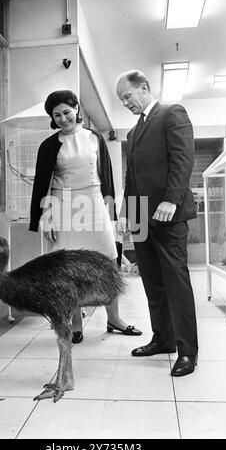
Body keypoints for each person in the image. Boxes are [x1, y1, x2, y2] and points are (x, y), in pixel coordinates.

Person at [29, 89, 142, 343]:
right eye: (56, 115)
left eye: (66, 112)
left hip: (93, 202)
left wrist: (112, 212)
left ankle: (114, 318)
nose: (62, 118)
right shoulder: (48, 146)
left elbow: (107, 177)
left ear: (76, 109)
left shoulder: (95, 138)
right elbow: (41, 185)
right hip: (62, 206)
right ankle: (76, 325)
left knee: (108, 262)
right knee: (68, 269)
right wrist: (45, 217)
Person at [116, 71, 198, 377]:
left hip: (168, 213)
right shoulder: (133, 133)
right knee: (151, 281)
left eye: (127, 96)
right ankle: (163, 339)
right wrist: (126, 212)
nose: (125, 103)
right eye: (121, 100)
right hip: (140, 216)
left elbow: (183, 157)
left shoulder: (171, 113)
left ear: (144, 87)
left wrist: (172, 199)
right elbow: (131, 177)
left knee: (176, 282)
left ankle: (188, 350)